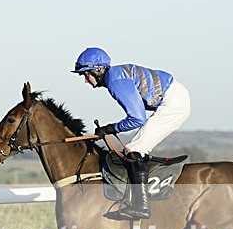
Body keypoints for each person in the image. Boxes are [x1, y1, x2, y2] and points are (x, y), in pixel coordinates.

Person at [71, 47, 191, 220]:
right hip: (174, 96)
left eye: (85, 74)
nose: (85, 80)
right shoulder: (115, 77)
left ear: (98, 70)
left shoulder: (115, 80)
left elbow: (137, 119)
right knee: (134, 149)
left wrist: (109, 129)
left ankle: (140, 206)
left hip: (174, 103)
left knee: (135, 151)